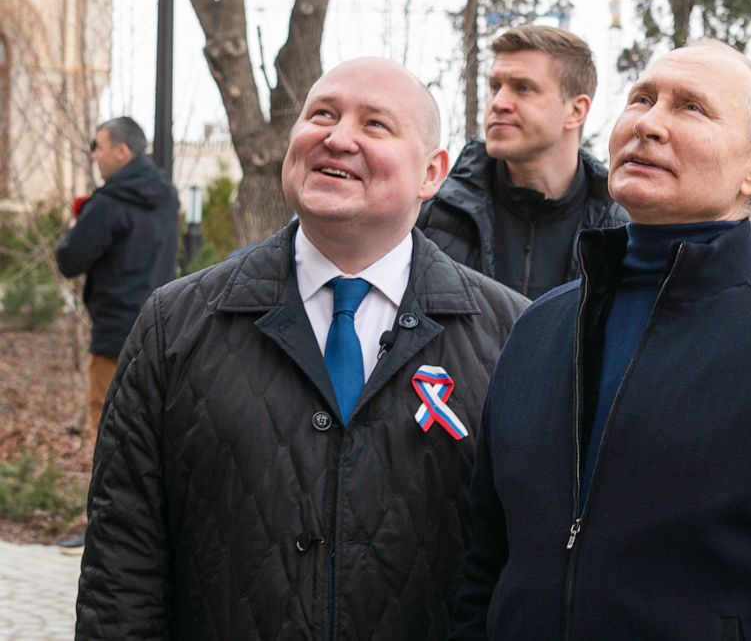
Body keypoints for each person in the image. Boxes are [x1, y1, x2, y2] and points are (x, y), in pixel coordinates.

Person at [451, 40, 751, 640]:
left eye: (691, 107)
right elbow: (484, 560)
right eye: (642, 99)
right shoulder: (538, 328)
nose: (648, 123)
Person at [74, 57, 528, 640]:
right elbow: (122, 560)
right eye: (322, 115)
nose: (338, 139)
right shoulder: (176, 324)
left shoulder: (511, 335)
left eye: (374, 125)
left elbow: (525, 568)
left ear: (432, 172)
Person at [418, 25, 627, 299]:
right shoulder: (433, 217)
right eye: (495, 86)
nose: (498, 102)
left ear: (576, 111)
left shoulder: (622, 232)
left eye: (523, 88)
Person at [55, 117, 178, 555]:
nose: (94, 154)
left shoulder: (108, 203)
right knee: (149, 434)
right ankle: (145, 534)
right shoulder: (166, 196)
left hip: (113, 336)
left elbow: (70, 259)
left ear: (122, 153)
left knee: (104, 429)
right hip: (163, 332)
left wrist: (79, 220)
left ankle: (102, 532)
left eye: (99, 146)